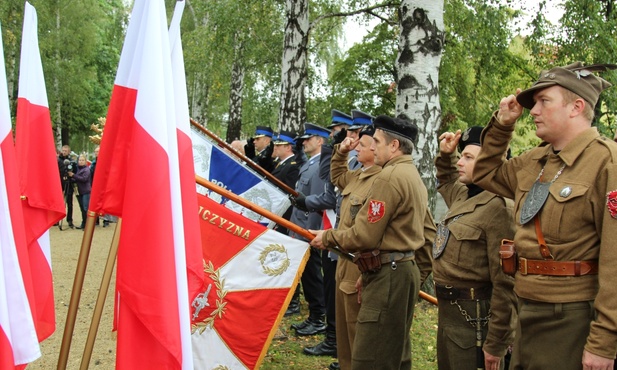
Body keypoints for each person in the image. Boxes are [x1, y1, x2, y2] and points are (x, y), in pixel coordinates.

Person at [472, 62, 617, 370]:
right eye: (532, 103)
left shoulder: (607, 162)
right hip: (526, 308)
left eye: (543, 101)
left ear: (576, 106)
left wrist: (605, 342)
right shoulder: (536, 159)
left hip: (571, 317)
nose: (533, 110)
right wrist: (502, 125)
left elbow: (615, 260)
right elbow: (484, 173)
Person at [310, 114, 429, 370]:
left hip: (388, 272)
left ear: (394, 146)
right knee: (392, 352)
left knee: (369, 356)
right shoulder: (409, 173)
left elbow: (364, 235)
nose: (371, 147)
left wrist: (328, 237)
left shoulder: (389, 178)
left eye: (376, 141)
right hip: (391, 268)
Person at [433, 126, 517, 370]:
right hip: (451, 315)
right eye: (461, 156)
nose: (460, 162)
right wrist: (446, 155)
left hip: (477, 319)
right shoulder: (464, 195)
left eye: (468, 157)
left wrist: (497, 341)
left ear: (491, 162)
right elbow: (447, 178)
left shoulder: (499, 208)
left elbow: (506, 283)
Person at [288, 122, 332, 338]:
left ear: (320, 141)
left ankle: (318, 317)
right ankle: (314, 316)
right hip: (299, 227)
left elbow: (316, 203)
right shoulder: (311, 163)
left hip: (309, 228)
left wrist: (309, 231)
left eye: (308, 139)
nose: (304, 142)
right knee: (307, 275)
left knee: (312, 275)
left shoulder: (319, 167)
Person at [70, 154, 92, 230]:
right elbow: (77, 179)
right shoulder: (78, 169)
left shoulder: (87, 169)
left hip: (86, 191)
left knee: (85, 208)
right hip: (80, 191)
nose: (81, 161)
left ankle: (88, 224)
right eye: (80, 160)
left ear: (85, 161)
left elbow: (84, 179)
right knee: (82, 208)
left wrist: (73, 176)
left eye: (82, 160)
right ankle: (83, 223)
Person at [57, 144, 76, 228]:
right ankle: (57, 219)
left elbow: (75, 171)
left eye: (66, 151)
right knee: (58, 202)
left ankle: (69, 219)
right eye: (63, 151)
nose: (64, 152)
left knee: (69, 203)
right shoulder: (58, 160)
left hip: (68, 182)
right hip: (60, 183)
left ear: (68, 152)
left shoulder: (71, 161)